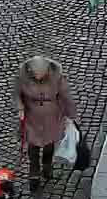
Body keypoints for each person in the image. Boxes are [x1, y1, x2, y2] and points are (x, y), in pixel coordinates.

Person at [17, 56, 75, 190]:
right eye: (35, 73)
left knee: (49, 144)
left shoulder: (57, 78)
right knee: (33, 145)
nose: (37, 76)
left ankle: (47, 166)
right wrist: (20, 107)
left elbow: (65, 96)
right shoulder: (25, 78)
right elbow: (18, 93)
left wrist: (70, 115)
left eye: (40, 73)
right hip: (32, 117)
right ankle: (34, 173)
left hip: (51, 117)